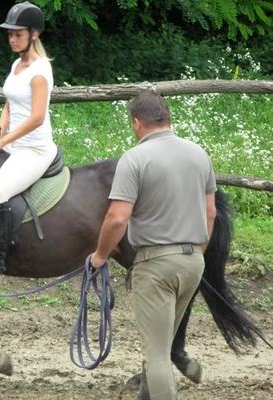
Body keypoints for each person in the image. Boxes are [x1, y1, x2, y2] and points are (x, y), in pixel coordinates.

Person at [89, 91, 217, 400]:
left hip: (156, 265)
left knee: (157, 355)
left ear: (137, 122)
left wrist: (100, 255)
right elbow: (210, 212)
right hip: (193, 262)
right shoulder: (199, 154)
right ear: (167, 117)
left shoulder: (135, 158)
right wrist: (197, 253)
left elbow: (117, 218)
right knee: (161, 344)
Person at [0, 1, 57, 282]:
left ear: (34, 34)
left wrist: (5, 139)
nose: (12, 39)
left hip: (34, 148)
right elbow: (10, 104)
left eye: (18, 34)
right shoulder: (17, 65)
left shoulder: (40, 71)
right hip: (12, 143)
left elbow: (37, 117)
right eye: (9, 34)